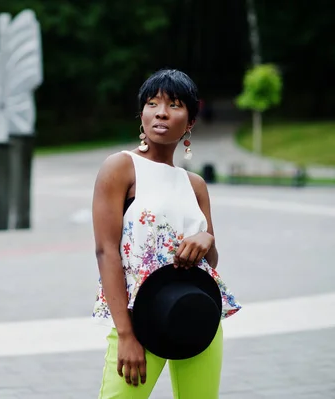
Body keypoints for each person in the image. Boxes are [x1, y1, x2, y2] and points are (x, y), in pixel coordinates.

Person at [91, 69, 241, 399]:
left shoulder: (195, 185)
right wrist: (126, 335)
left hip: (197, 310)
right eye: (152, 103)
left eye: (174, 104)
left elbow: (211, 261)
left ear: (189, 122)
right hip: (139, 316)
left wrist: (207, 240)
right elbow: (106, 251)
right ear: (141, 115)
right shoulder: (121, 167)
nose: (161, 111)